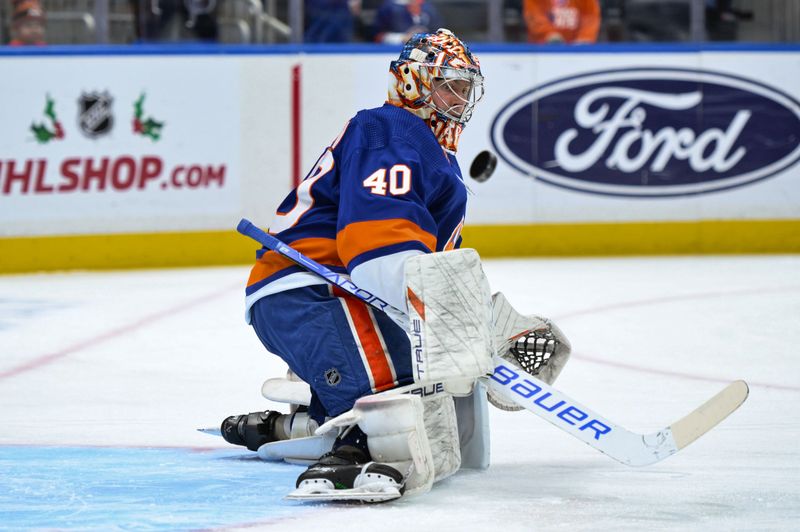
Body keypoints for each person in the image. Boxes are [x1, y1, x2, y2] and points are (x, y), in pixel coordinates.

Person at [222, 29, 490, 499]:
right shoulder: (392, 128)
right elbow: (377, 252)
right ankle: (351, 450)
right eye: (448, 84)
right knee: (398, 407)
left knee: (430, 401)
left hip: (344, 295)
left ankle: (299, 426)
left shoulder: (434, 154)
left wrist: (479, 334)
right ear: (412, 82)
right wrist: (453, 325)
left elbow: (424, 272)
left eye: (465, 87)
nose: (459, 97)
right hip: (309, 290)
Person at [523, 0, 600, 44]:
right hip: (542, 49)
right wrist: (549, 34)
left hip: (577, 50)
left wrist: (584, 37)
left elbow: (591, 16)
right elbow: (533, 15)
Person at [373, 0, 442, 44]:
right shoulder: (388, 7)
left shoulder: (429, 7)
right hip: (394, 51)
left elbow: (439, 34)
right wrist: (401, 38)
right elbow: (377, 37)